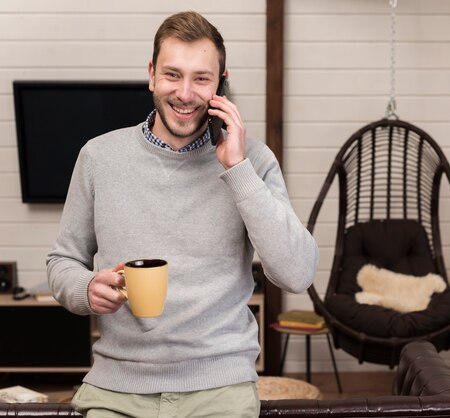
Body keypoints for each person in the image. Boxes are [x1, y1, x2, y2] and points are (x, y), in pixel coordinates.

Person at [46, 11, 319, 417]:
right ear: (152, 74)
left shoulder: (253, 162)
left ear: (222, 82)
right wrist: (85, 288)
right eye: (173, 75)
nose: (185, 93)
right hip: (117, 386)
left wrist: (237, 169)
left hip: (220, 385)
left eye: (201, 78)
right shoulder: (98, 157)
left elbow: (297, 273)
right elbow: (61, 262)